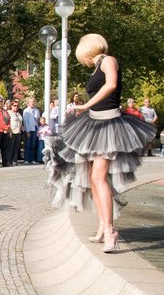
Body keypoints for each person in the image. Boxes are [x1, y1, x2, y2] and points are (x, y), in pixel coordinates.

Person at [43, 34, 154, 253]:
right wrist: (85, 108)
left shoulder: (108, 60)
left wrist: (85, 106)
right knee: (94, 178)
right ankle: (104, 225)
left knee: (98, 177)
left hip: (108, 124)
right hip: (94, 123)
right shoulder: (97, 67)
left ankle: (111, 230)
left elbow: (111, 85)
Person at [22, 97, 41, 164]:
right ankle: (27, 159)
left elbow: (38, 120)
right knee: (27, 144)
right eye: (31, 102)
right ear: (28, 103)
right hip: (28, 129)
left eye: (33, 101)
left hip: (34, 128)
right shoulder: (26, 111)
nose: (32, 103)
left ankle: (32, 159)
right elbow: (25, 122)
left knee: (33, 144)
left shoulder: (37, 110)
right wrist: (27, 131)